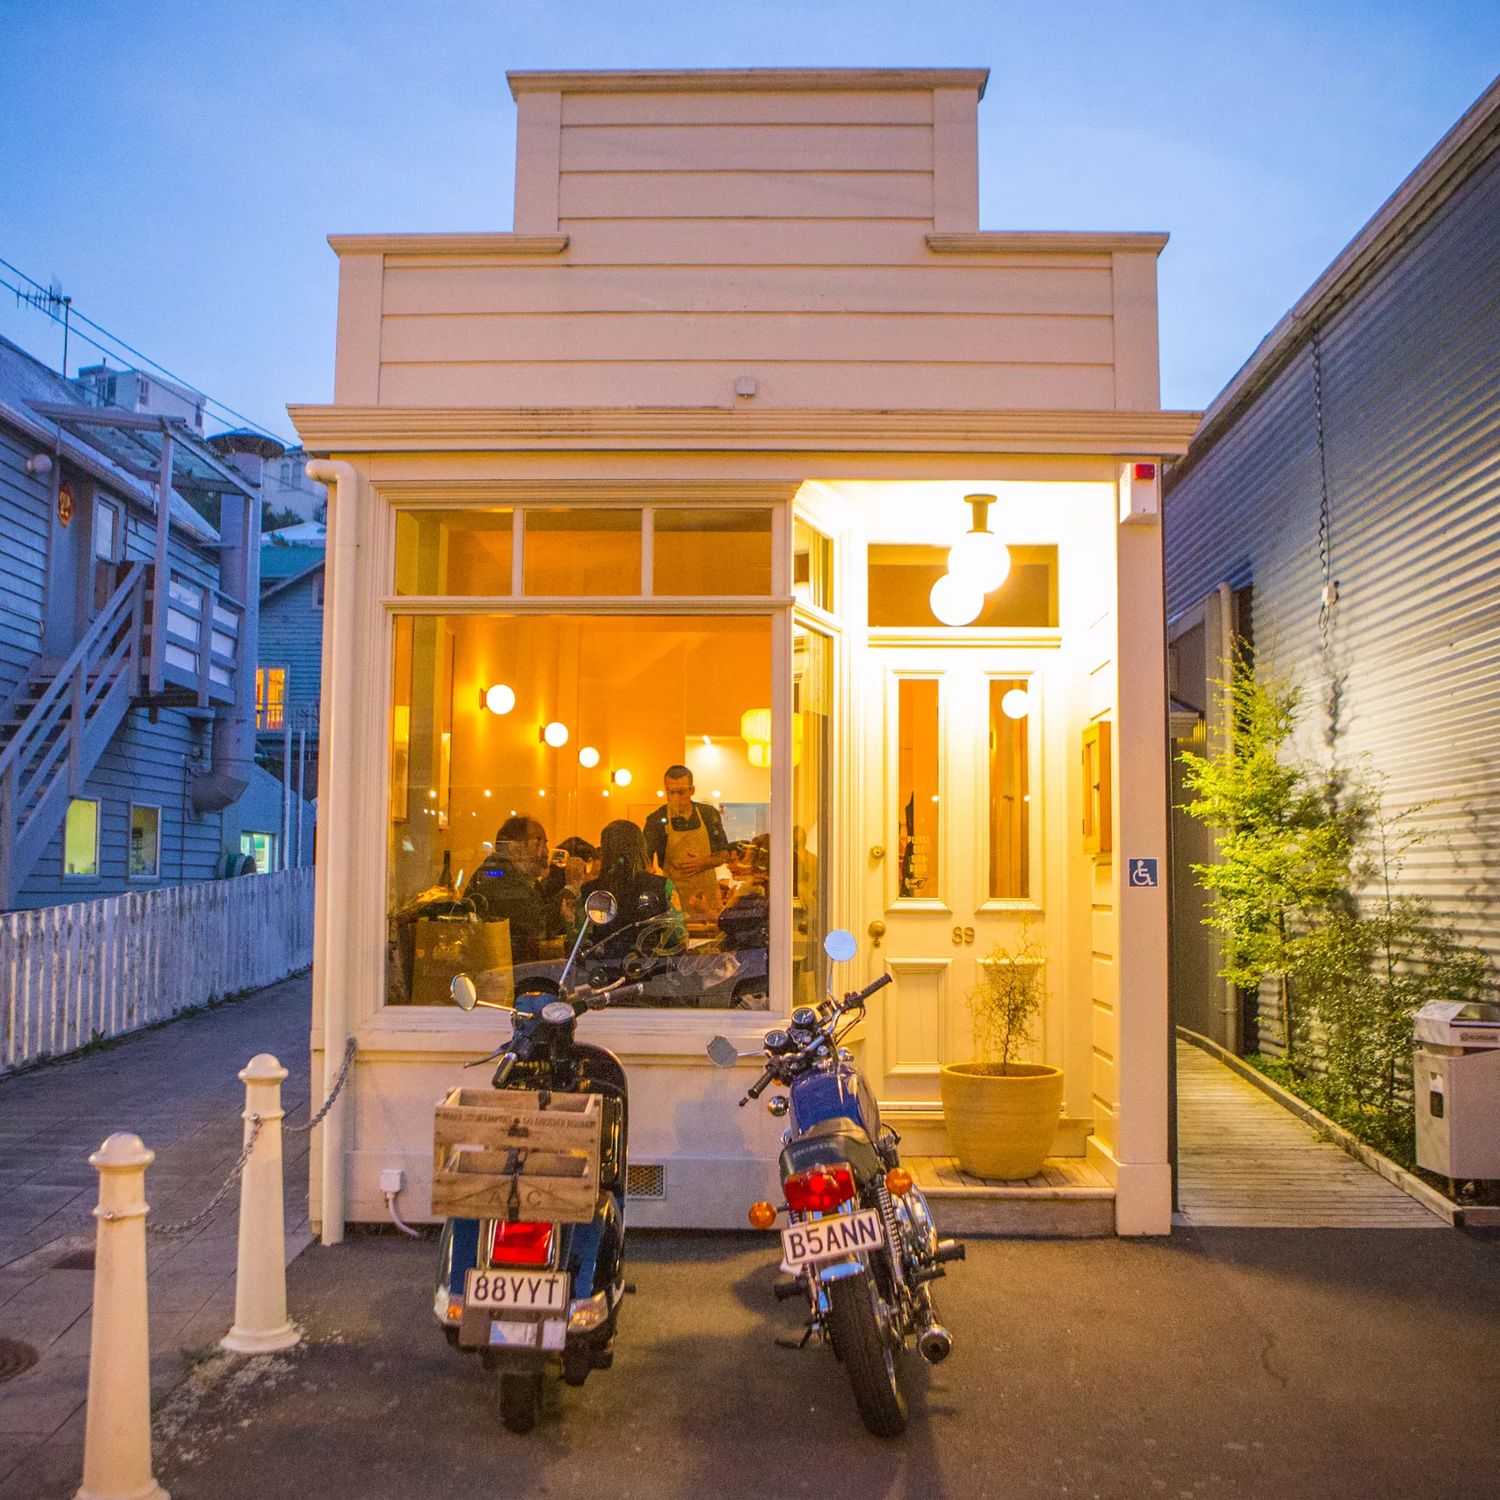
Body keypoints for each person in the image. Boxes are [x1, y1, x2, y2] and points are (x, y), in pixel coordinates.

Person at [463, 816, 565, 963]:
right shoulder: (498, 876)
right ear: (515, 848)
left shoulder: (523, 879)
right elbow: (536, 926)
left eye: (545, 844)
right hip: (497, 972)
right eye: (538, 843)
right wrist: (570, 889)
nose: (546, 851)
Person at [580, 819, 683, 955]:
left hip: (602, 968)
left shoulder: (589, 889)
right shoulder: (663, 886)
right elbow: (677, 936)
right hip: (648, 968)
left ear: (604, 850)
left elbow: (581, 940)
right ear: (641, 848)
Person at [642, 765, 730, 919]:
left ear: (692, 790)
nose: (676, 798)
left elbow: (724, 855)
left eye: (681, 792)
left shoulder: (708, 814)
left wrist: (704, 862)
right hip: (675, 901)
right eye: (671, 792)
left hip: (708, 901)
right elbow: (645, 863)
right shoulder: (656, 820)